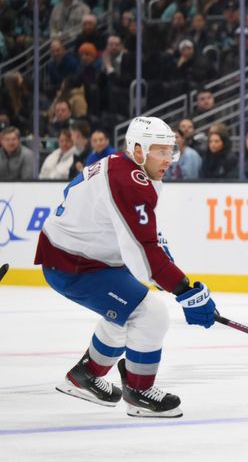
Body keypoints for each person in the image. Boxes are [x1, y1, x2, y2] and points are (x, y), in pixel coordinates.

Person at [34, 116, 218, 418]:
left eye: (170, 150)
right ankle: (139, 391)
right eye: (160, 151)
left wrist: (166, 270)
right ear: (137, 149)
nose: (168, 159)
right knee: (150, 314)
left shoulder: (130, 169)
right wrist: (186, 290)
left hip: (84, 258)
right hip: (75, 266)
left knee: (125, 312)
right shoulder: (129, 181)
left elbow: (144, 237)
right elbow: (143, 255)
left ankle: (85, 376)